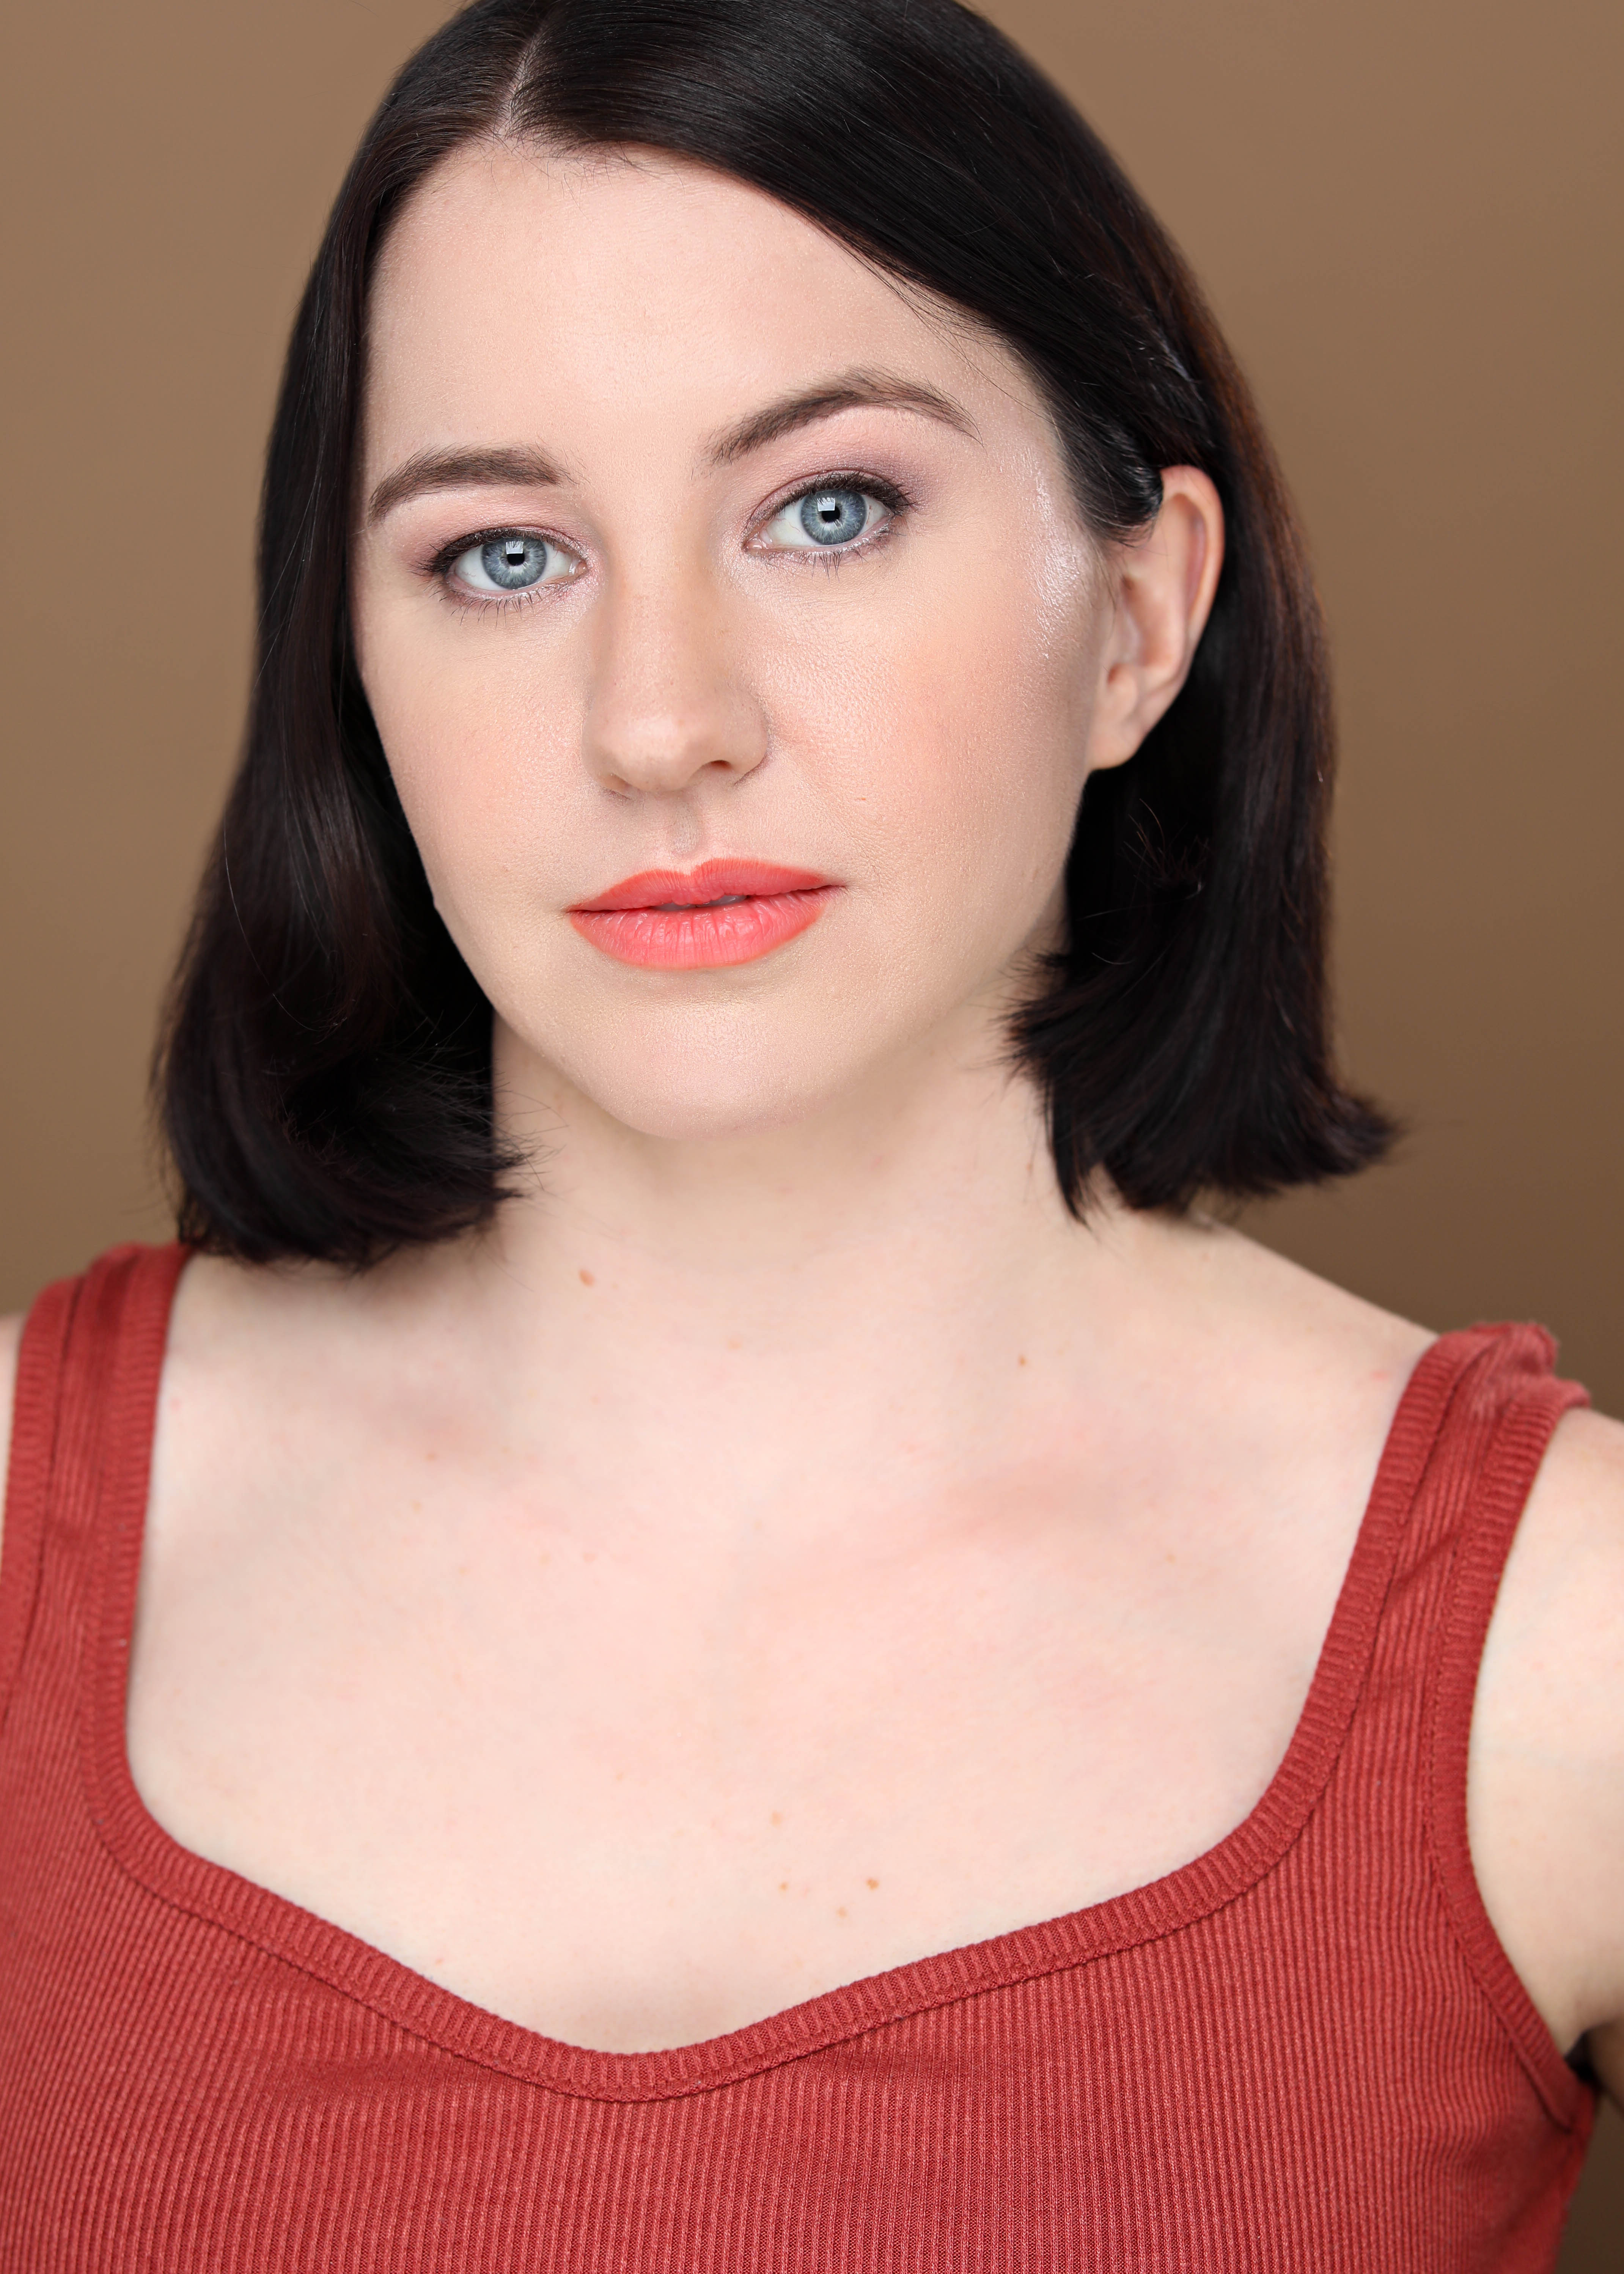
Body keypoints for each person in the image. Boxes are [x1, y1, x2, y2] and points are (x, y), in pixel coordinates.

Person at [0, 0, 1618, 2263]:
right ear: (353, 671)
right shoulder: (17, 1520)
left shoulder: (1571, 1646)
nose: (663, 725)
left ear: (1141, 615)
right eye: (500, 555)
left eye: (828, 510)